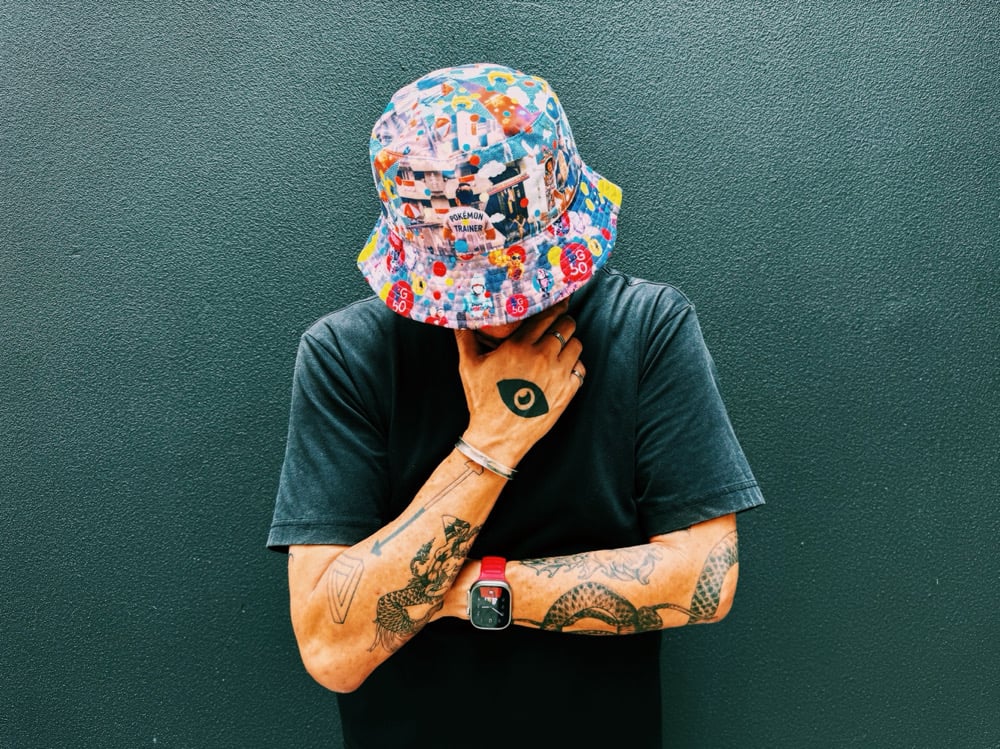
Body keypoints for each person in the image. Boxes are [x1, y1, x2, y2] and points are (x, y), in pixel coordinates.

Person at [267, 62, 764, 749]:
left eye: (520, 278)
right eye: (468, 294)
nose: (500, 316)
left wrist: (470, 590)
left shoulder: (648, 327)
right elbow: (331, 648)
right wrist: (491, 443)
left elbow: (706, 576)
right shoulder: (347, 356)